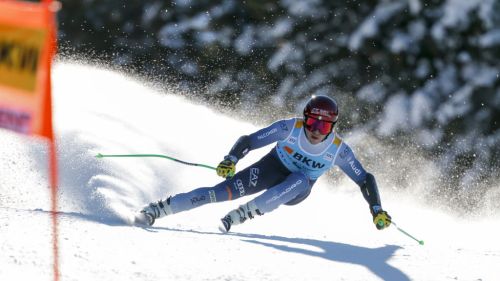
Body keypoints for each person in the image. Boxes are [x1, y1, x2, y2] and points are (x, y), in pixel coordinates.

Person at [137, 95, 392, 232]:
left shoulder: (339, 151)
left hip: (296, 189)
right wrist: (231, 159)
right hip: (271, 169)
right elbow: (250, 140)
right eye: (312, 122)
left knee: (301, 178)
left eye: (324, 125)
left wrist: (376, 209)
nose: (315, 130)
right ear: (304, 118)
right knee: (218, 193)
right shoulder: (288, 128)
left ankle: (244, 213)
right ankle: (157, 210)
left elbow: (364, 179)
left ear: (333, 127)